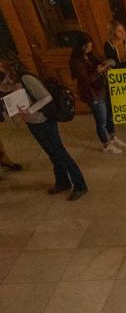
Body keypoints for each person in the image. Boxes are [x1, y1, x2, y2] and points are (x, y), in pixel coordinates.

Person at [0, 51, 88, 201]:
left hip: (43, 121)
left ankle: (80, 185)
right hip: (32, 122)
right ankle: (62, 182)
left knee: (60, 152)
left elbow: (47, 97)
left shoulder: (26, 78)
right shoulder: (11, 78)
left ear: (7, 62)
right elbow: (6, 90)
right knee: (52, 153)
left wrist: (30, 110)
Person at [69, 33, 125, 154]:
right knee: (101, 120)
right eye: (88, 47)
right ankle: (106, 144)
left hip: (102, 89)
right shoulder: (76, 61)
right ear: (81, 46)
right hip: (92, 94)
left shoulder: (89, 56)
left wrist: (105, 66)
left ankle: (112, 136)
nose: (90, 49)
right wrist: (98, 72)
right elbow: (85, 80)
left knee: (109, 115)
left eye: (91, 46)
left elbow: (98, 63)